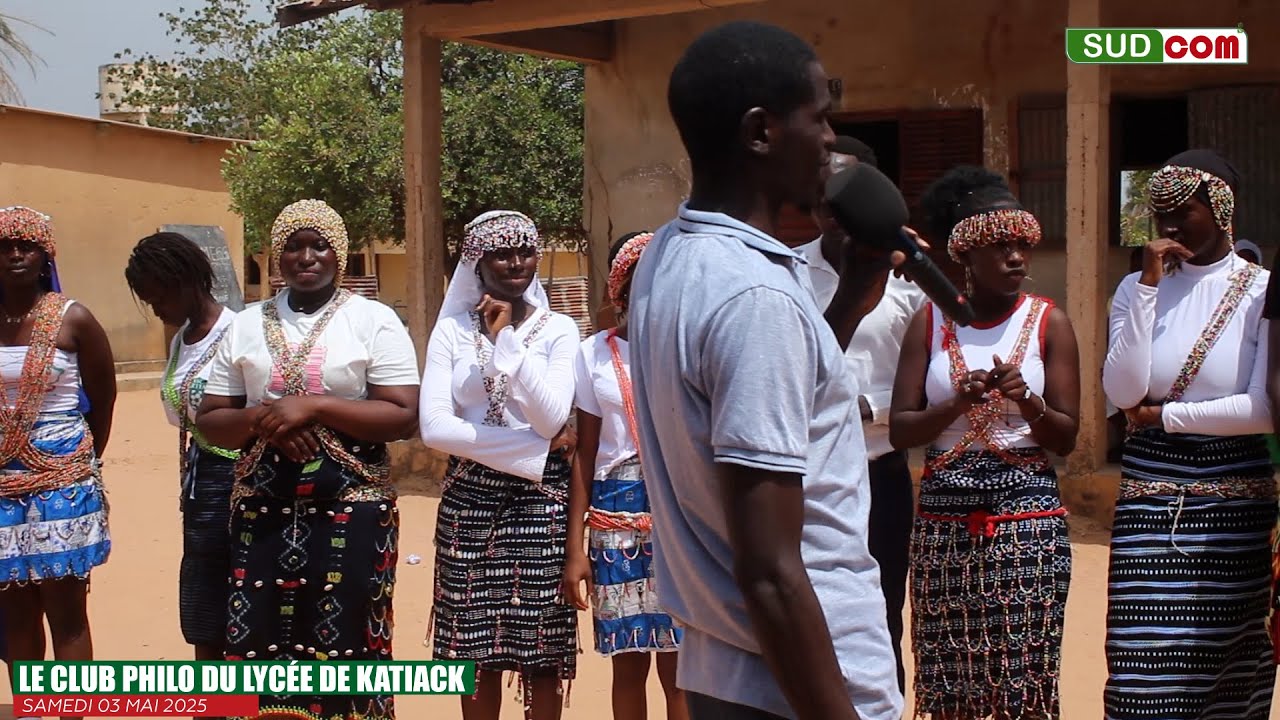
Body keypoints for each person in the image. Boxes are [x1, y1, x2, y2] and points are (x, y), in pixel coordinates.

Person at [627, 20, 907, 720]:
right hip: (804, 684)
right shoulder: (757, 296)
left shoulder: (670, 255)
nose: (830, 142)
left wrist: (846, 302)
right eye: (818, 117)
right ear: (760, 133)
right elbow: (772, 572)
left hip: (725, 672)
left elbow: (786, 400)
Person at [196, 199, 420, 720]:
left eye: (318, 245)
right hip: (264, 506)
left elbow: (403, 413)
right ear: (277, 257)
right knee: (261, 634)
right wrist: (269, 422)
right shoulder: (247, 323)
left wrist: (313, 406)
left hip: (352, 502)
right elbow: (210, 417)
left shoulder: (372, 319)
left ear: (338, 254)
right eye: (293, 247)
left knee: (347, 633)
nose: (306, 256)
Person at [888, 166, 1080, 719]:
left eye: (1022, 245)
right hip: (944, 523)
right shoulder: (929, 324)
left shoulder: (1050, 322)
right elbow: (903, 428)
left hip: (1029, 520)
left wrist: (1029, 403)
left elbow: (1066, 438)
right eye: (1000, 247)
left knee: (1024, 677)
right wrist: (956, 404)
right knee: (951, 679)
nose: (1017, 257)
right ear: (966, 257)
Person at [1102, 149, 1275, 720]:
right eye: (1160, 213)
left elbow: (1262, 407)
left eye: (1184, 211)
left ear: (1222, 210)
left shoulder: (1261, 290)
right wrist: (1149, 288)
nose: (1170, 227)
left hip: (1235, 502)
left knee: (1223, 665)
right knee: (1142, 670)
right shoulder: (1133, 289)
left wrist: (1165, 416)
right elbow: (1124, 392)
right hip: (1149, 501)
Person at [420, 210, 580, 720]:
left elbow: (553, 416)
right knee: (471, 649)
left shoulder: (560, 329)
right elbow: (435, 429)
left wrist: (507, 341)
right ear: (476, 261)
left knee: (541, 652)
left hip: (541, 506)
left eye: (526, 251)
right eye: (501, 253)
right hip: (470, 502)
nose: (516, 263)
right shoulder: (449, 333)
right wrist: (531, 450)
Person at [795, 137, 924, 692]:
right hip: (803, 477)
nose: (838, 211)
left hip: (879, 472)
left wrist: (869, 408)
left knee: (879, 614)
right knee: (805, 622)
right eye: (828, 197)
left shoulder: (907, 281)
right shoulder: (788, 272)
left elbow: (937, 376)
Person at [563, 231, 686, 720]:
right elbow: (586, 453)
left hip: (680, 517)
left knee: (681, 667)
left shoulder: (686, 350)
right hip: (615, 521)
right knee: (628, 664)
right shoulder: (593, 354)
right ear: (621, 290)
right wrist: (576, 548)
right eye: (641, 281)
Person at [0, 206, 116, 709]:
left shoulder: (74, 319)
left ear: (46, 255)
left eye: (27, 246)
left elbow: (103, 399)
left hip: (62, 482)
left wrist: (78, 465)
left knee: (65, 611)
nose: (15, 255)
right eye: (4, 247)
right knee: (14, 614)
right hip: (2, 485)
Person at [124, 232, 238, 663]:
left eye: (161, 297)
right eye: (150, 302)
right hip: (201, 482)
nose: (158, 310)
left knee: (243, 600)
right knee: (203, 605)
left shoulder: (237, 333)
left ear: (189, 280)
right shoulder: (181, 342)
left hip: (241, 483)